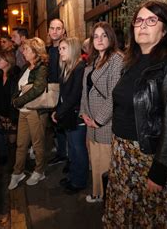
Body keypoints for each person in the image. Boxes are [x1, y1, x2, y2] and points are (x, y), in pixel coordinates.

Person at [103, 1, 167, 228]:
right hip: (122, 153)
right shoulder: (130, 62)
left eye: (152, 20)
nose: (143, 25)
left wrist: (160, 171)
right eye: (139, 21)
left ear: (166, 29)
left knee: (149, 217)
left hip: (147, 156)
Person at [79, 21, 123, 203]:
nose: (99, 39)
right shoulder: (92, 60)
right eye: (96, 36)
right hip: (90, 120)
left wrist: (98, 120)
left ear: (111, 38)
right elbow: (84, 92)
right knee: (95, 162)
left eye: (104, 35)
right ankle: (98, 193)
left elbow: (115, 94)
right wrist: (84, 114)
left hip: (105, 121)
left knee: (106, 164)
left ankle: (110, 201)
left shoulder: (116, 59)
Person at [8, 37, 49, 190]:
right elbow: (19, 88)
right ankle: (17, 172)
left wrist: (18, 102)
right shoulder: (26, 68)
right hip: (23, 112)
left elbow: (37, 89)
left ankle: (39, 171)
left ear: (35, 51)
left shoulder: (41, 68)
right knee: (21, 144)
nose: (23, 51)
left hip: (35, 111)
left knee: (38, 144)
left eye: (26, 49)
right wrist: (15, 99)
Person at [51, 38, 88, 194]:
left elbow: (74, 96)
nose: (60, 51)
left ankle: (79, 182)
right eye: (59, 49)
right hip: (67, 115)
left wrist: (58, 113)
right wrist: (57, 110)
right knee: (72, 149)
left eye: (63, 48)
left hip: (76, 116)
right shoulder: (67, 67)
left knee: (78, 150)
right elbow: (63, 95)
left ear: (72, 49)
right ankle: (73, 177)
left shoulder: (80, 68)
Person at [0, 50, 21, 165]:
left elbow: (18, 95)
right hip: (0, 113)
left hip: (12, 113)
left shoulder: (15, 76)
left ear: (8, 61)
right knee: (0, 136)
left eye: (1, 59)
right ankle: (3, 155)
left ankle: (14, 161)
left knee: (13, 140)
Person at [46, 18, 68, 168]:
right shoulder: (47, 50)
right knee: (57, 127)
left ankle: (69, 159)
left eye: (58, 28)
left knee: (66, 128)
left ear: (63, 31)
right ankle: (61, 154)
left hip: (64, 93)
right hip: (51, 93)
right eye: (52, 28)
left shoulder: (66, 48)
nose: (55, 31)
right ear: (48, 31)